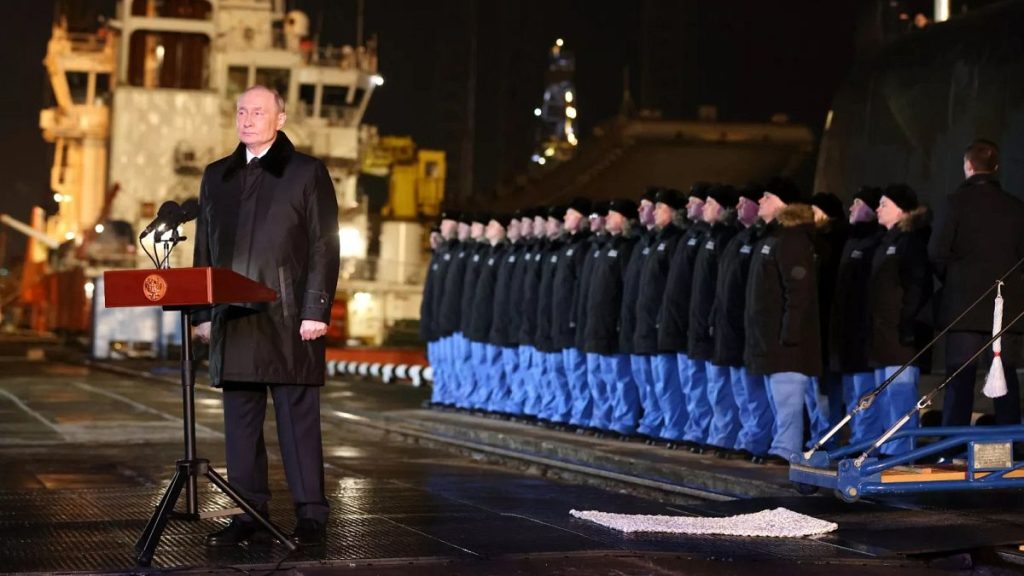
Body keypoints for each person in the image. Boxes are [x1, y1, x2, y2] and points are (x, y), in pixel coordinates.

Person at [193, 85, 340, 546]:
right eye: (241, 111)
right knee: (239, 419)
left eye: (258, 111)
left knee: (297, 417)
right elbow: (204, 248)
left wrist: (316, 307)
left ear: (281, 118)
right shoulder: (217, 176)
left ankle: (311, 512)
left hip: (290, 316)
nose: (248, 118)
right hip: (233, 318)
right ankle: (248, 511)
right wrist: (201, 311)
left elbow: (323, 244)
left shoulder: (306, 173)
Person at [930, 139, 1024, 429]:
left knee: (959, 382)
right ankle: (1012, 447)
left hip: (963, 309)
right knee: (1005, 381)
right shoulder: (1017, 207)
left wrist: (956, 283)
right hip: (1006, 308)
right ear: (995, 168)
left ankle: (951, 450)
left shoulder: (954, 203)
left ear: (968, 166)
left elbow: (936, 252)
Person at [744, 178, 821, 464]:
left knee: (787, 400)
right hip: (770, 339)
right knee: (777, 400)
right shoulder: (772, 237)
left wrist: (790, 333)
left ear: (782, 202)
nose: (760, 201)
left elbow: (797, 290)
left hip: (785, 343)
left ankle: (786, 448)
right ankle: (778, 444)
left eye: (766, 196)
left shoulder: (792, 238)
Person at [711, 184, 774, 462]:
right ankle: (746, 437)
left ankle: (755, 439)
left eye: (744, 202)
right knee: (739, 390)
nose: (740, 207)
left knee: (753, 390)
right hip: (731, 325)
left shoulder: (759, 239)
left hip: (747, 326)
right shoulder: (740, 238)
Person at [868, 184, 932, 455]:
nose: (877, 209)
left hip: (901, 336)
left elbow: (917, 287)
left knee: (900, 395)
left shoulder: (910, 241)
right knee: (884, 396)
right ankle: (888, 449)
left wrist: (908, 325)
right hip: (884, 335)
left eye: (884, 204)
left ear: (901, 209)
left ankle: (901, 453)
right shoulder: (887, 241)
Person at [829, 187, 885, 445]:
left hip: (864, 336)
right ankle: (858, 441)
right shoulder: (852, 242)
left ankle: (865, 443)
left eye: (858, 202)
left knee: (865, 393)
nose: (851, 207)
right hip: (847, 335)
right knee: (853, 393)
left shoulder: (876, 243)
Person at [688, 185, 740, 456]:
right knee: (706, 385)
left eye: (708, 202)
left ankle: (723, 435)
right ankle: (710, 432)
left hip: (716, 325)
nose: (700, 207)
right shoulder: (707, 236)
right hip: (702, 322)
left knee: (721, 386)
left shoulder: (725, 238)